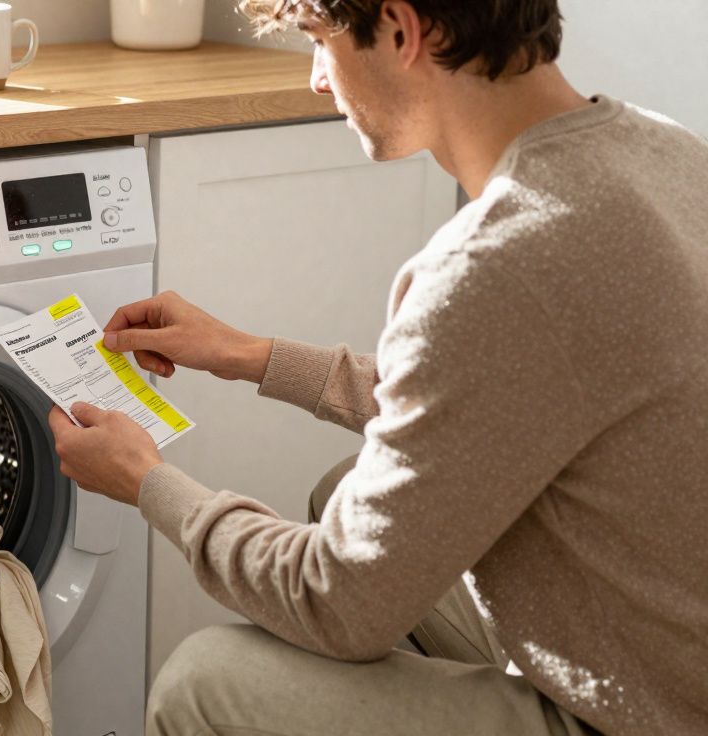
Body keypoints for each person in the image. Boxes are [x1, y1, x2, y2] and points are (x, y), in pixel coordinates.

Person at [46, 1, 708, 734]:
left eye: (319, 43)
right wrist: (247, 355)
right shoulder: (660, 150)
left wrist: (147, 483)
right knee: (344, 490)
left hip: (641, 717)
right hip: (669, 660)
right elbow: (496, 392)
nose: (318, 80)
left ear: (402, 31)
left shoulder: (499, 263)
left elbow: (335, 600)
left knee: (204, 683)